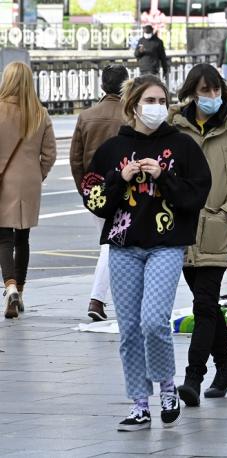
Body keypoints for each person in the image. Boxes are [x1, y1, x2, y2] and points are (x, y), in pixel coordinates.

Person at [81, 75, 211, 431]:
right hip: (123, 247)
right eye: (150, 100)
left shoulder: (182, 146)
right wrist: (119, 179)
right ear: (133, 105)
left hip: (166, 246)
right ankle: (140, 403)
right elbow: (94, 200)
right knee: (129, 330)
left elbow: (197, 195)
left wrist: (165, 177)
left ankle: (167, 385)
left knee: (154, 321)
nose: (157, 107)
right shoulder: (112, 149)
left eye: (162, 100)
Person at [169, 63, 227, 406]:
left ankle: (193, 378)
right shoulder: (173, 128)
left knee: (205, 302)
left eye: (216, 90)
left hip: (221, 229)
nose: (211, 97)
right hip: (182, 229)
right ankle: (226, 367)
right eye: (204, 91)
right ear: (191, 92)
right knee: (205, 304)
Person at [69, 64, 129, 322]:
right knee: (112, 244)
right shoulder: (130, 115)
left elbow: (75, 159)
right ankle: (97, 299)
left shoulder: (87, 116)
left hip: (94, 189)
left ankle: (106, 298)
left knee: (111, 243)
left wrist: (85, 190)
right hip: (124, 189)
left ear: (102, 86)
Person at [0, 62, 56, 319]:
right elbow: (50, 154)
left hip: (4, 182)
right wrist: (38, 174)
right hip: (30, 182)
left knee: (4, 238)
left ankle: (9, 286)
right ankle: (20, 293)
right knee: (23, 239)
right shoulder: (40, 113)